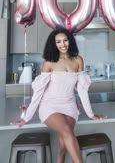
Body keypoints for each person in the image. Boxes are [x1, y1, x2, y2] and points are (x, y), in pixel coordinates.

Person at [11, 28, 107, 163]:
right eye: (58, 42)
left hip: (69, 105)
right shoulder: (49, 62)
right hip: (49, 106)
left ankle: (60, 159)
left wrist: (91, 114)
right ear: (53, 44)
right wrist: (27, 117)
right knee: (67, 130)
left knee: (65, 134)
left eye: (65, 40)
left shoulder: (78, 60)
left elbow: (82, 90)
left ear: (70, 41)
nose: (63, 44)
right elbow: (38, 93)